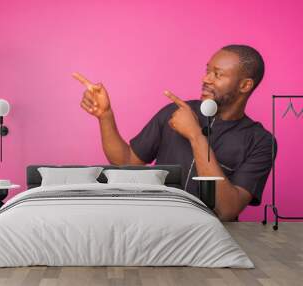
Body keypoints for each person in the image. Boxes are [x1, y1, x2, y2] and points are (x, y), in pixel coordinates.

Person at [72, 44, 276, 221]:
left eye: (218, 74)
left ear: (245, 85)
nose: (206, 79)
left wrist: (195, 136)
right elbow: (126, 160)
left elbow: (227, 210)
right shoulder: (175, 113)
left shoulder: (261, 142)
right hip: (159, 227)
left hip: (213, 239)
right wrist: (105, 116)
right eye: (207, 71)